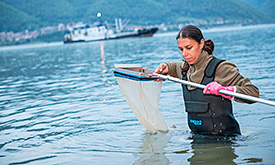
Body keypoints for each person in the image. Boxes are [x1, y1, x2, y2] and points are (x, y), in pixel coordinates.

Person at [155, 25, 259, 136]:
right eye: (181, 49)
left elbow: (253, 93)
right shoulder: (185, 69)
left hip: (225, 141)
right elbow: (174, 66)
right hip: (197, 139)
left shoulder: (221, 68)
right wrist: (165, 66)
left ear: (201, 44)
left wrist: (226, 90)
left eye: (189, 48)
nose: (184, 54)